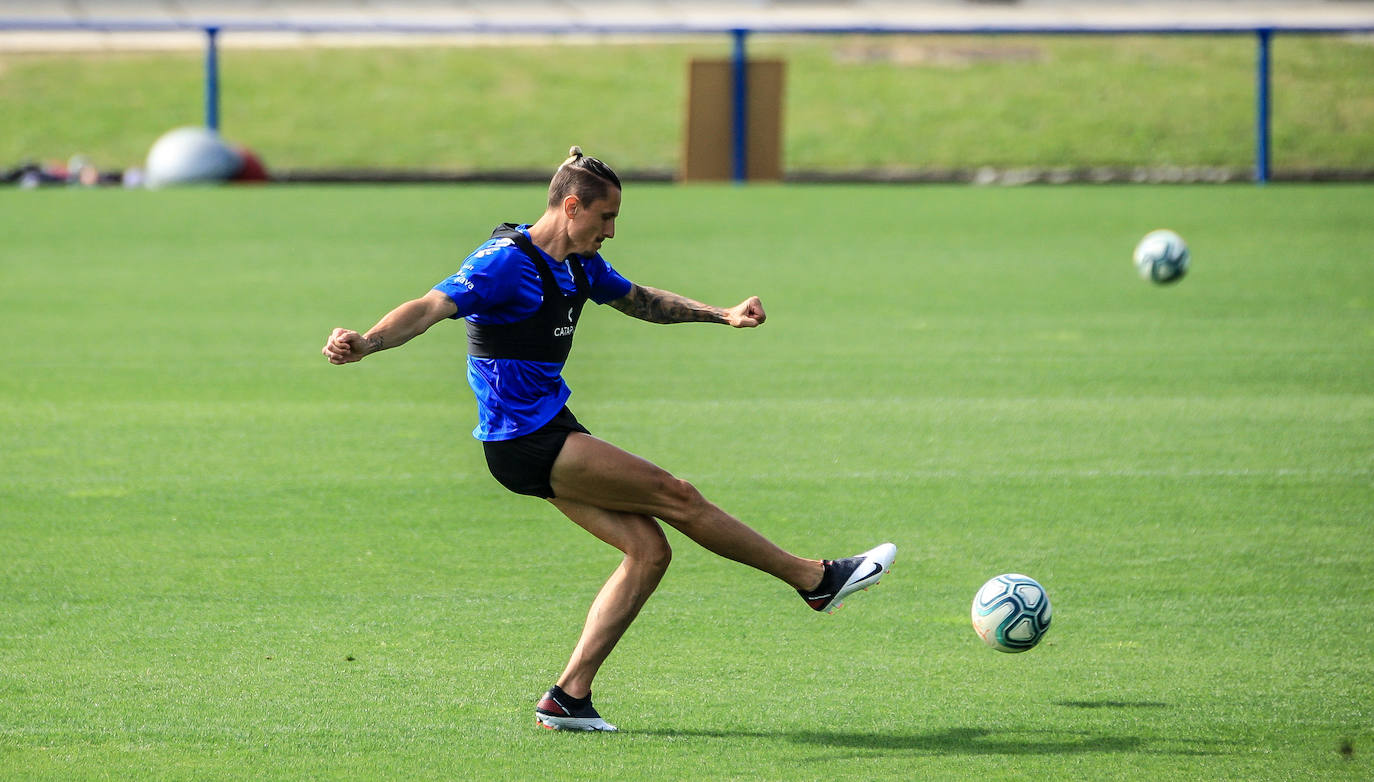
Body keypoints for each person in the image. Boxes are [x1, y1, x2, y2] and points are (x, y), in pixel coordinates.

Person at [322, 146, 896, 732]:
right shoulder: (502, 263)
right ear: (572, 207)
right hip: (524, 437)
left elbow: (642, 301)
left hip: (547, 428)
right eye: (606, 217)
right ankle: (814, 580)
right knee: (679, 496)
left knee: (649, 553)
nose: (612, 231)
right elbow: (430, 305)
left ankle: (568, 697)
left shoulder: (578, 263)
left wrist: (721, 314)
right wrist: (367, 342)